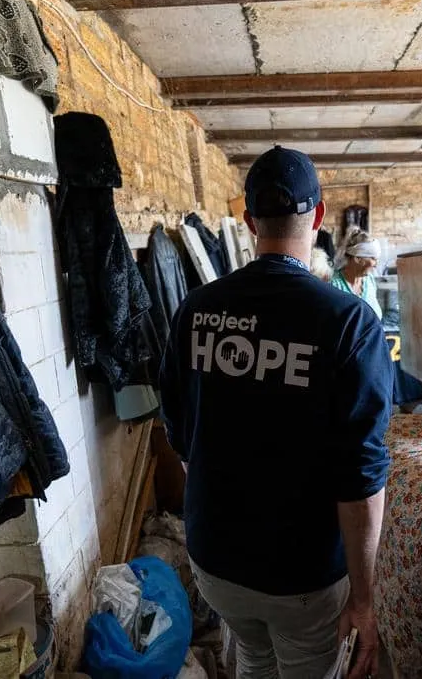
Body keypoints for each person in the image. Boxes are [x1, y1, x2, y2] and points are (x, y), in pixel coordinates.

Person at [159, 146, 393, 679]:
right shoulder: (346, 322)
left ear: (248, 221)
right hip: (301, 575)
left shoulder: (196, 310)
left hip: (215, 560)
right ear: (318, 216)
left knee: (253, 660)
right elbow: (360, 476)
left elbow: (179, 432)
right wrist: (364, 597)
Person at [331, 229, 383, 319]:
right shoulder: (334, 284)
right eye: (373, 259)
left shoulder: (370, 280)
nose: (376, 265)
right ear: (357, 258)